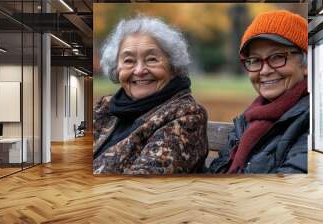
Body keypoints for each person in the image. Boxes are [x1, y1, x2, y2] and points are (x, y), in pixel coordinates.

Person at [93, 16, 208, 175]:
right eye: (129, 61)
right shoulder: (104, 107)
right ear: (117, 68)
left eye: (152, 59)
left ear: (173, 66)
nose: (139, 70)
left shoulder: (187, 115)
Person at [209, 10, 309, 174]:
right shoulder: (248, 119)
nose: (264, 71)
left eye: (277, 57)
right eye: (255, 60)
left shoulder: (312, 121)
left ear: (305, 64)